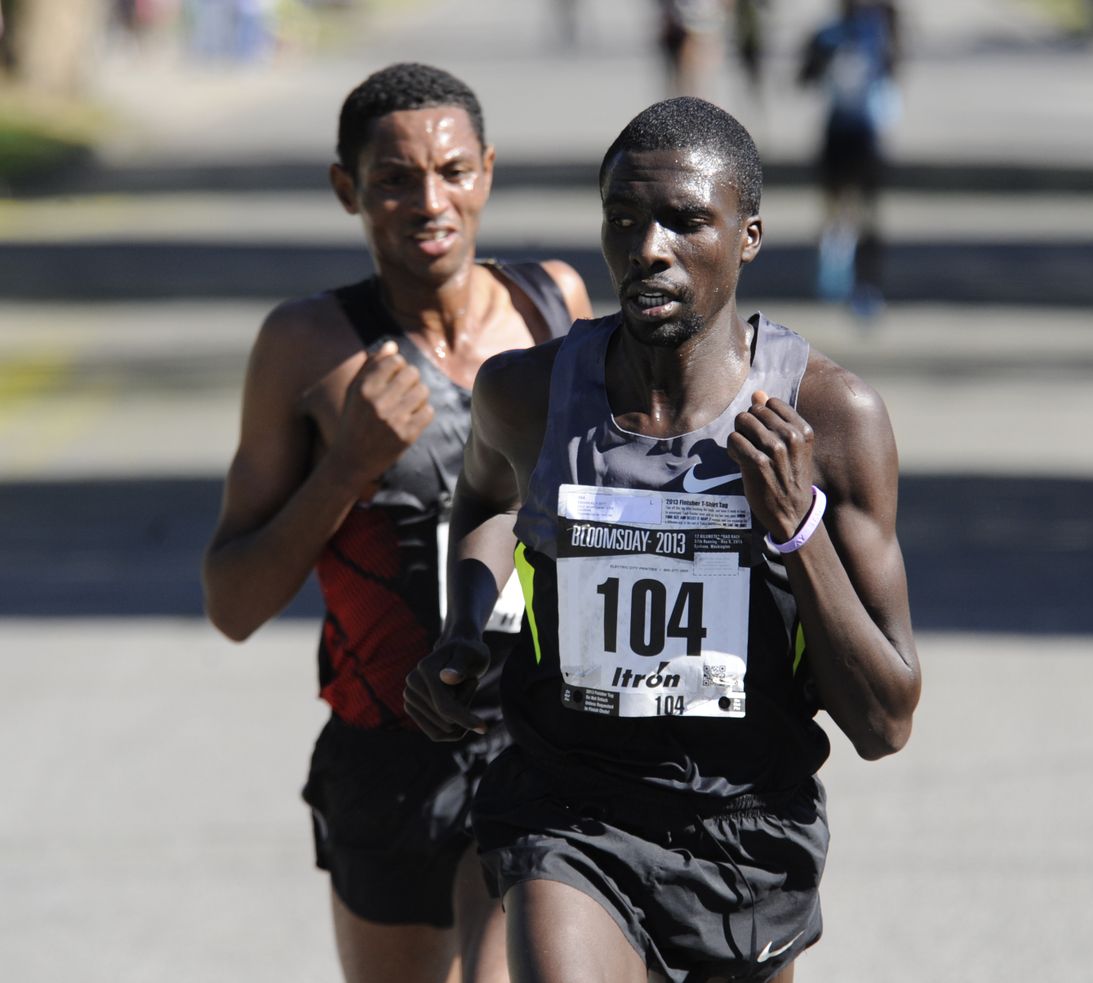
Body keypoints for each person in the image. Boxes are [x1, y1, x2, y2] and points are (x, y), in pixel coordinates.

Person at [405, 96, 920, 983]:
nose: (649, 248)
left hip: (744, 828)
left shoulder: (832, 419)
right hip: (568, 810)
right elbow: (489, 498)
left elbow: (885, 719)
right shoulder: (526, 396)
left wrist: (799, 530)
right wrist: (465, 626)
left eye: (686, 221)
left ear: (748, 236)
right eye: (624, 219)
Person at [201, 62, 592, 983]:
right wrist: (346, 466)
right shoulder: (307, 346)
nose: (430, 200)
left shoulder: (554, 307)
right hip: (387, 755)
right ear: (348, 188)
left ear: (487, 171)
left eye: (454, 170)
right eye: (394, 178)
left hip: (541, 741)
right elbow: (233, 602)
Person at [799, 0, 901, 320]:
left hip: (859, 135)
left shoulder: (875, 32)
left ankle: (862, 282)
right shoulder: (835, 36)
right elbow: (805, 77)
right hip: (847, 134)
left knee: (861, 211)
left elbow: (890, 75)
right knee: (844, 207)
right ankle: (844, 274)